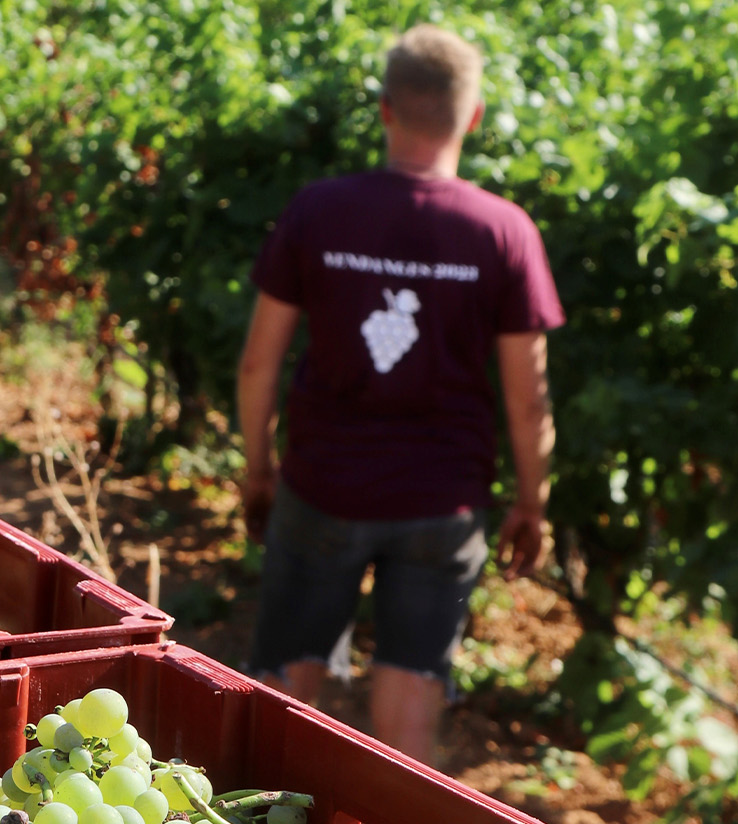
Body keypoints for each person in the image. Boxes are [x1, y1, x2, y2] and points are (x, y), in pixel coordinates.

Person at [236, 23, 564, 766]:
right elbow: (529, 400)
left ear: (384, 109)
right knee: (414, 692)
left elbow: (260, 364)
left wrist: (259, 470)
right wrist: (532, 502)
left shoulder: (318, 210)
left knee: (286, 686)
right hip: (442, 508)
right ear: (473, 117)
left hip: (322, 486)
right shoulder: (504, 232)